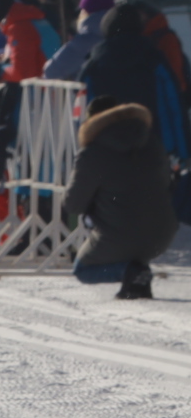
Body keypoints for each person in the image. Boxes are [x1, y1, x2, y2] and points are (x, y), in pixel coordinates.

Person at [62, 95, 177, 299]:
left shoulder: (92, 153)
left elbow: (73, 205)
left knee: (83, 270)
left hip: (120, 233)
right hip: (162, 232)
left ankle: (130, 272)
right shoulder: (152, 142)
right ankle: (137, 277)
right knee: (133, 239)